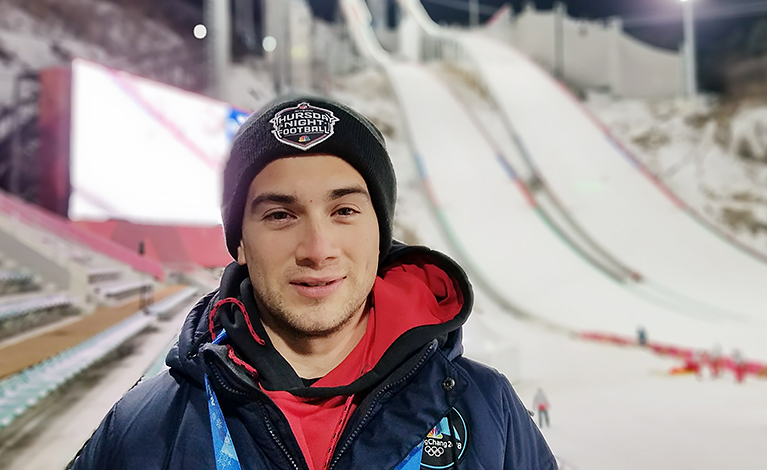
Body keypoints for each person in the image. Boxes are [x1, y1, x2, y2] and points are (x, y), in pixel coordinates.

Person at [68, 96, 557, 470]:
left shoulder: (488, 410)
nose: (317, 248)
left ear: (380, 235)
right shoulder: (144, 428)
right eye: (281, 215)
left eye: (344, 211)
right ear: (240, 243)